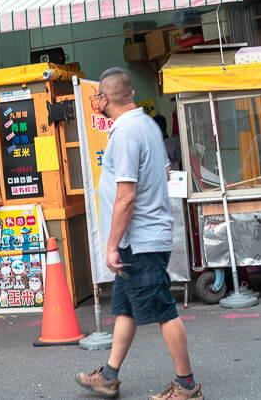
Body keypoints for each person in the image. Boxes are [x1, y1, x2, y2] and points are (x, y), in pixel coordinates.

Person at [76, 69, 202, 400]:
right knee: (126, 309)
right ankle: (109, 375)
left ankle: (187, 385)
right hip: (140, 238)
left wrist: (112, 244)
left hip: (140, 240)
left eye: (98, 96)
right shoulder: (144, 124)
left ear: (105, 98)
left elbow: (126, 195)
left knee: (163, 311)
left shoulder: (127, 133)